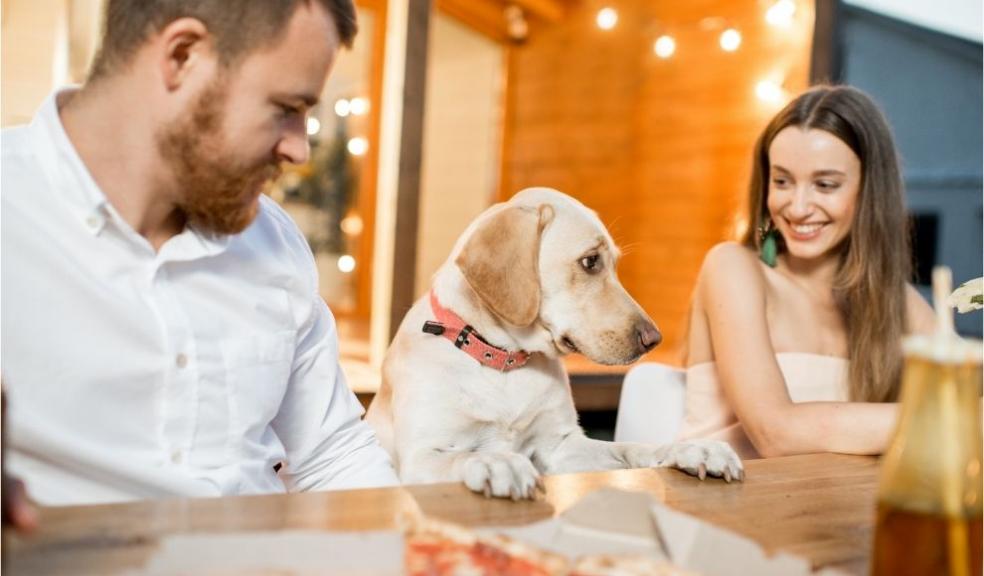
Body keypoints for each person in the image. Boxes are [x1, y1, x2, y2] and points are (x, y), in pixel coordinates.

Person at [0, 0, 398, 508]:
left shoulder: (275, 240)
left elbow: (333, 454)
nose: (299, 150)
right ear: (183, 55)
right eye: (287, 110)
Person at [679, 85, 936, 459]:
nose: (798, 207)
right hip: (717, 509)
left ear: (870, 192)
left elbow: (966, 393)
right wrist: (944, 423)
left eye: (825, 185)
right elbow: (776, 433)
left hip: (834, 512)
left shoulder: (898, 302)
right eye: (782, 181)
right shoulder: (733, 268)